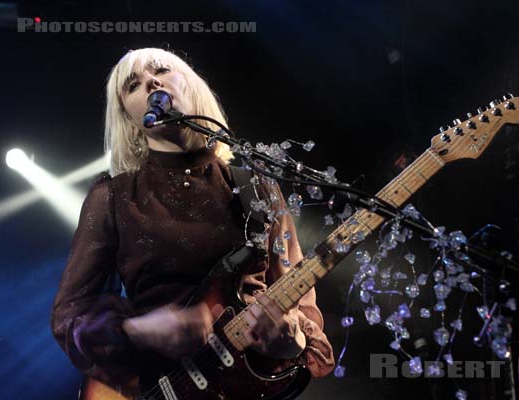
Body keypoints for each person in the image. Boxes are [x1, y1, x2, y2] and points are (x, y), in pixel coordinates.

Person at [50, 47, 335, 392]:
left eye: (161, 70)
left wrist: (293, 340)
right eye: (133, 85)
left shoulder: (256, 184)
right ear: (130, 119)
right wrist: (139, 329)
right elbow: (69, 314)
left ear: (192, 85)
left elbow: (298, 292)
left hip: (246, 385)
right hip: (163, 384)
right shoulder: (113, 197)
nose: (151, 81)